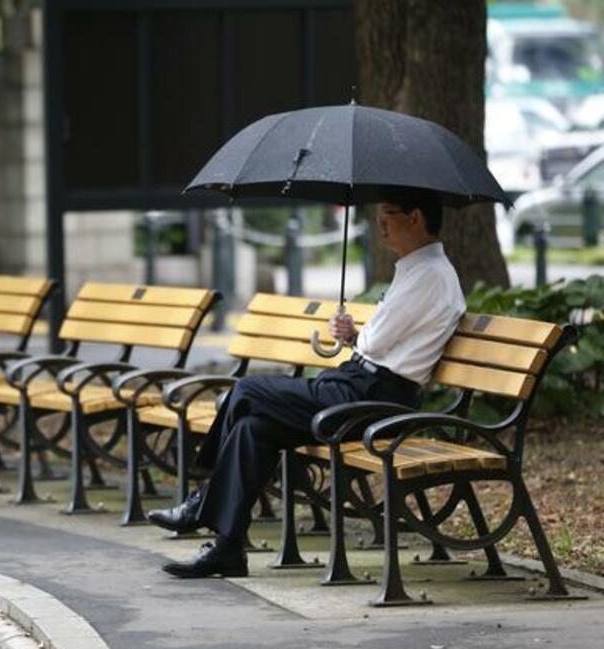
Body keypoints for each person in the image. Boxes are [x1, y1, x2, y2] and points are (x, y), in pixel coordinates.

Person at [148, 194, 466, 578]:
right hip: (360, 384)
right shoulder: (416, 270)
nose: (380, 225)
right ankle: (228, 547)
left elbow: (376, 343)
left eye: (388, 216)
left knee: (246, 391)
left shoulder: (430, 275)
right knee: (253, 430)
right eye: (379, 217)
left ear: (415, 218)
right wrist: (356, 336)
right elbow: (379, 340)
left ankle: (201, 503)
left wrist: (361, 337)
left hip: (375, 399)